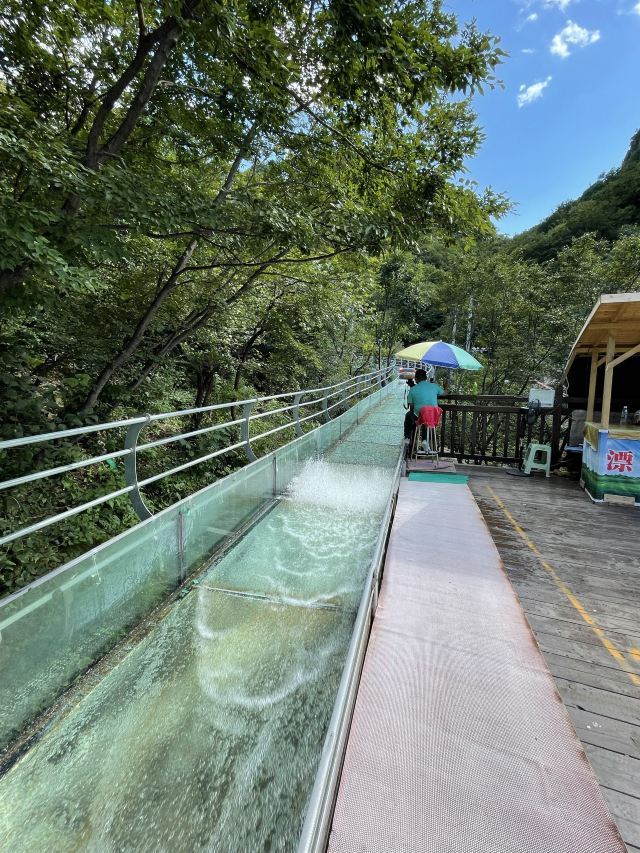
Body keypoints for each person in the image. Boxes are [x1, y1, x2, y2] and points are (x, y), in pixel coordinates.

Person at [403, 368, 446, 441]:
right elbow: (445, 393)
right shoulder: (434, 386)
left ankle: (407, 437)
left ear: (416, 379)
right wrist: (445, 387)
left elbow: (411, 407)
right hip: (434, 416)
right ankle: (425, 440)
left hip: (420, 418)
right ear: (426, 378)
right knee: (426, 416)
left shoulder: (413, 389)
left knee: (409, 415)